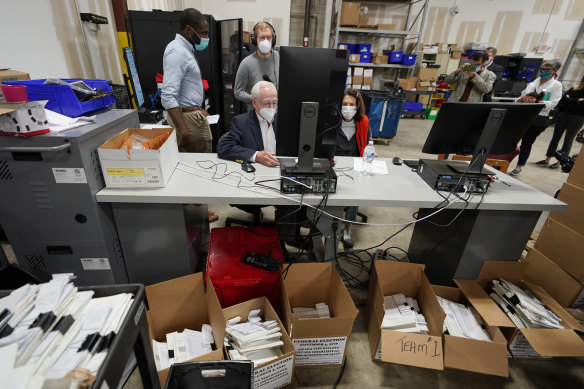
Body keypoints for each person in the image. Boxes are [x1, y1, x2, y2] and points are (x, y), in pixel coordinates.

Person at [161, 8, 212, 153]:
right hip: (187, 122)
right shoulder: (178, 52)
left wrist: (197, 108)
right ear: (189, 30)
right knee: (201, 164)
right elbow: (168, 95)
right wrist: (183, 130)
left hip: (191, 115)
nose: (206, 37)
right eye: (203, 33)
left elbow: (185, 91)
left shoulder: (186, 49)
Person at [509, 60, 563, 175]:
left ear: (554, 71)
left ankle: (519, 166)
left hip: (538, 119)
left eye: (547, 70)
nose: (544, 71)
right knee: (511, 141)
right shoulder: (534, 82)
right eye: (542, 69)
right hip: (523, 115)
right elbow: (522, 95)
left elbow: (554, 102)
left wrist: (539, 102)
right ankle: (503, 160)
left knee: (527, 143)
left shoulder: (556, 85)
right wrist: (523, 99)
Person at [335, 88, 372, 249]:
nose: (348, 107)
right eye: (344, 104)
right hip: (335, 166)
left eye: (351, 104)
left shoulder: (363, 121)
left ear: (357, 106)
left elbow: (369, 142)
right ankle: (331, 227)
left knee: (355, 194)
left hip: (356, 166)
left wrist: (370, 153)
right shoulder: (333, 122)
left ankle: (347, 230)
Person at [217, 81, 279, 166]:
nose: (271, 108)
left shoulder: (285, 121)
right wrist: (256, 155)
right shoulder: (241, 122)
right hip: (258, 172)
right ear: (254, 103)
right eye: (266, 103)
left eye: (274, 103)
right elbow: (224, 147)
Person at [536, 75, 584, 168]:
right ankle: (547, 159)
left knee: (568, 140)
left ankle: (560, 162)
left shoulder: (573, 91)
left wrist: (570, 100)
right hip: (563, 115)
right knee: (555, 138)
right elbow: (563, 100)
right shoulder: (575, 88)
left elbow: (580, 105)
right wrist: (577, 100)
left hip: (578, 118)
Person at [234, 22, 280, 111]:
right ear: (255, 39)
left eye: (269, 37)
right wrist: (257, 100)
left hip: (276, 114)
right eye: (262, 37)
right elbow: (238, 92)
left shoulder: (279, 57)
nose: (266, 41)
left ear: (273, 39)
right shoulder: (246, 63)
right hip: (256, 114)